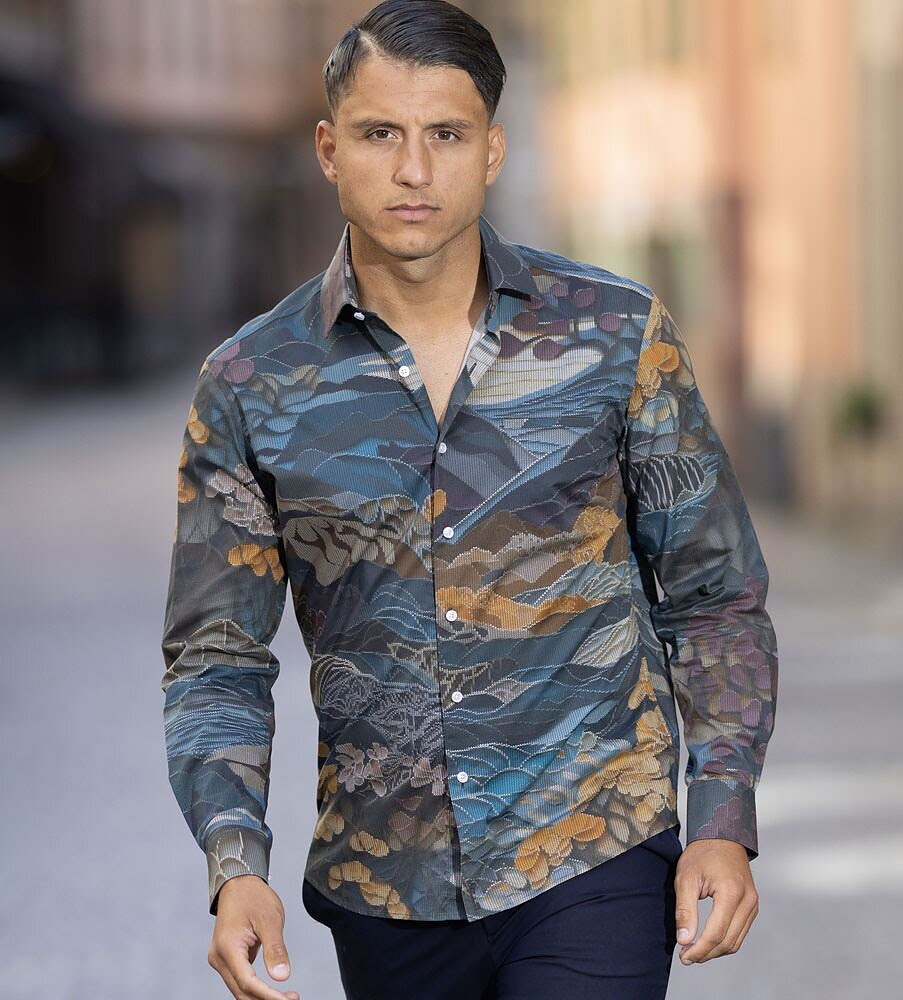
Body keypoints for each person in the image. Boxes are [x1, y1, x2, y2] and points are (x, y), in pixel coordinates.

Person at [160, 2, 779, 998]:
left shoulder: (617, 337)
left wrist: (721, 815)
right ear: (328, 149)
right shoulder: (248, 384)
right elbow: (215, 655)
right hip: (384, 884)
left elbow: (714, 597)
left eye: (445, 135)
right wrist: (235, 863)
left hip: (595, 848)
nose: (414, 170)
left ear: (491, 150)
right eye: (379, 134)